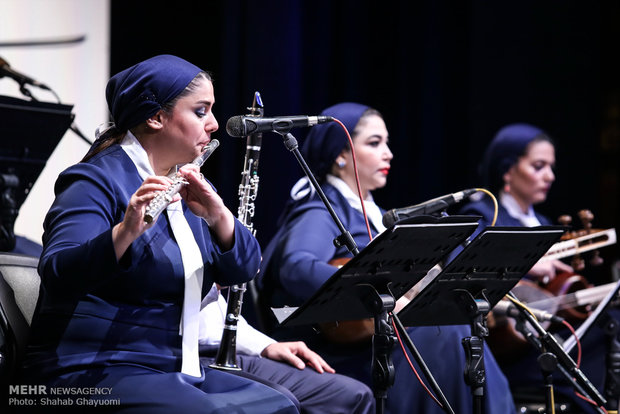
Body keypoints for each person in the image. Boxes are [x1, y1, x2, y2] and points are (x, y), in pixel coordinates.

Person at [15, 54, 299, 413]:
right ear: (156, 117)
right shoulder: (95, 180)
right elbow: (57, 272)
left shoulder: (190, 184)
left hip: (172, 368)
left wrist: (219, 217)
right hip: (90, 371)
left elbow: (243, 269)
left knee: (279, 405)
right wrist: (124, 232)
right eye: (200, 111)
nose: (213, 124)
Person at [256, 102, 517, 414]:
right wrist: (377, 293)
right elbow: (296, 269)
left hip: (377, 344)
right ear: (341, 153)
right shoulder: (321, 210)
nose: (388, 153)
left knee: (452, 326)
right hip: (336, 352)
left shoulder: (374, 214)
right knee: (445, 331)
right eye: (374, 143)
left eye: (387, 143)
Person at [458, 123, 609, 413]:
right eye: (538, 166)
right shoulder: (482, 216)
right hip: (512, 345)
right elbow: (470, 275)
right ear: (507, 170)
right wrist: (528, 264)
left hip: (546, 333)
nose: (549, 177)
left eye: (551, 167)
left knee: (610, 321)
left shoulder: (542, 220)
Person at [198, 285, 375, 413]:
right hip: (181, 357)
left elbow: (216, 317)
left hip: (227, 351)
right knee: (281, 401)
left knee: (352, 394)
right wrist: (214, 279)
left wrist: (266, 345)